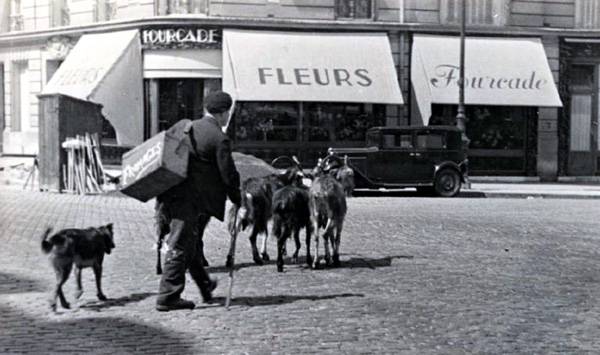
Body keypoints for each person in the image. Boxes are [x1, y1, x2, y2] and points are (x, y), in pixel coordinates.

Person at [155, 91, 241, 312]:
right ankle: (167, 297)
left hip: (171, 194)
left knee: (190, 243)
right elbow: (228, 175)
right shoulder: (219, 137)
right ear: (224, 113)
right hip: (192, 201)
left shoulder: (188, 127)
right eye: (227, 113)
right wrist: (237, 199)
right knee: (181, 243)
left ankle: (205, 286)